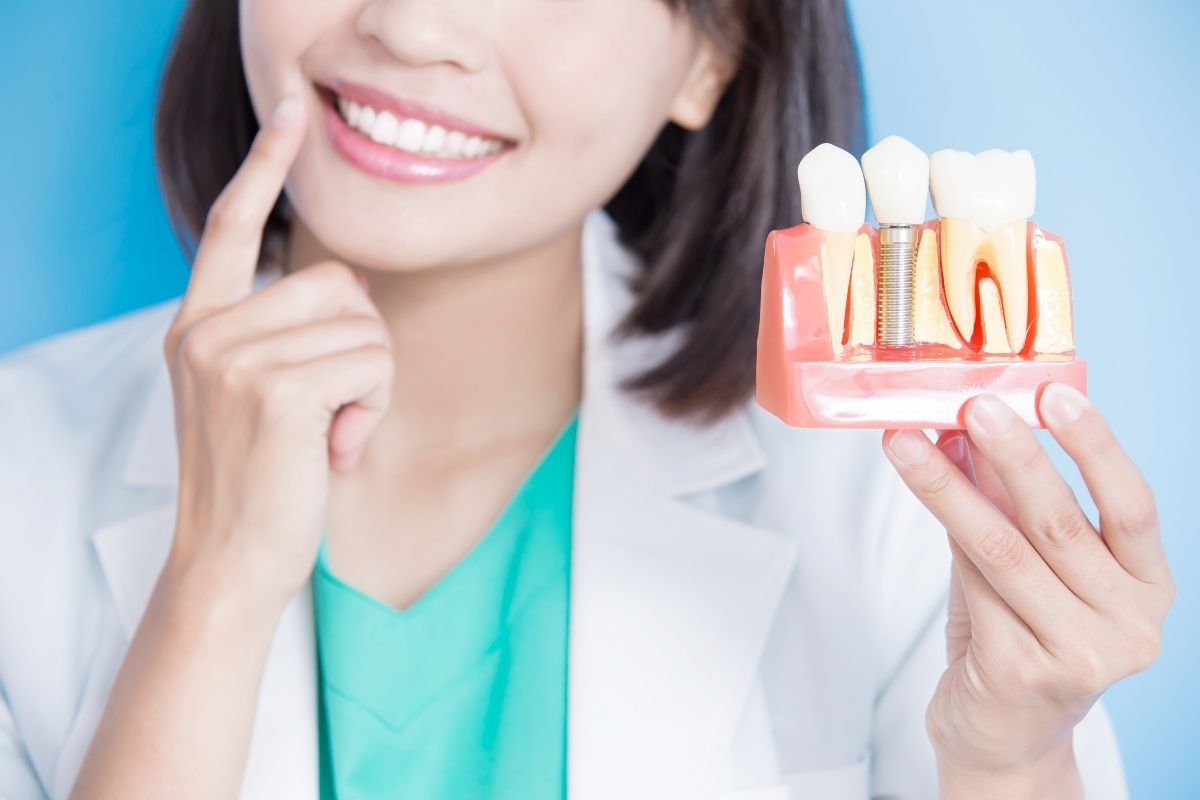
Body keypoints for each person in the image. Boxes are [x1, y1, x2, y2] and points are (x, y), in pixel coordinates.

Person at [0, 0, 1174, 798]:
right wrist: (208, 593)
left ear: (712, 55)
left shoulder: (895, 498)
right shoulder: (20, 460)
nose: (411, 25)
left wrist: (1011, 759)